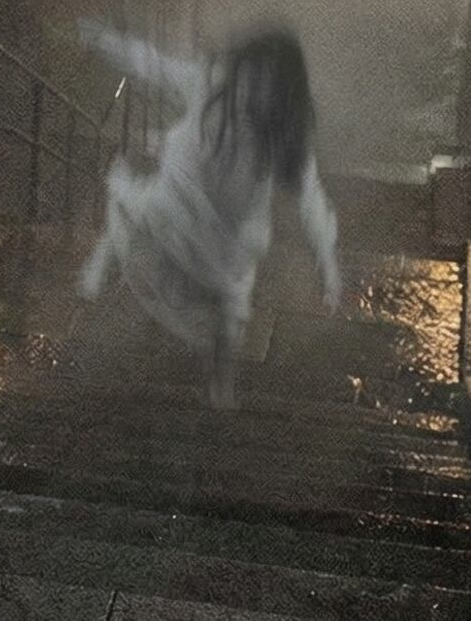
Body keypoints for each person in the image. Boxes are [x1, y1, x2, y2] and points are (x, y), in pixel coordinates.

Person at [80, 23, 341, 409]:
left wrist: (327, 259)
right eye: (251, 75)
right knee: (142, 219)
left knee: (228, 307)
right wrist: (105, 42)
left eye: (265, 81)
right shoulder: (211, 84)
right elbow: (154, 66)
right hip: (182, 200)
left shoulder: (285, 130)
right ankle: (107, 271)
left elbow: (310, 196)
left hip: (233, 231)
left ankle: (222, 382)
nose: (253, 88)